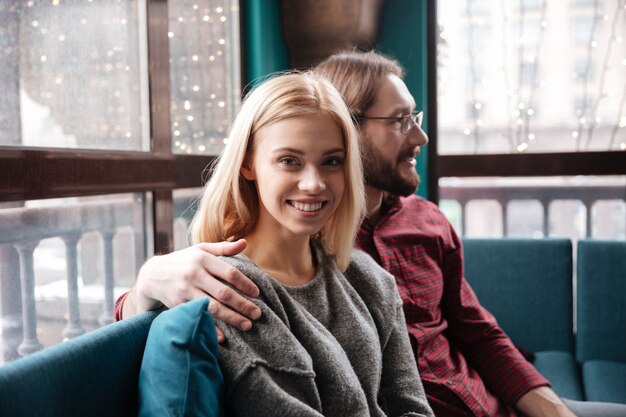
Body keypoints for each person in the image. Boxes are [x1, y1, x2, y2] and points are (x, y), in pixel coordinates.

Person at [116, 51, 626, 417]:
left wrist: (551, 406)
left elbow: (475, 330)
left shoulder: (411, 232)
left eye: (330, 162)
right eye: (402, 121)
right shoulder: (249, 271)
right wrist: (143, 286)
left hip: (482, 402)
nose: (420, 137)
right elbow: (173, 306)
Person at [162, 71, 434, 416]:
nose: (314, 183)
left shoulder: (370, 278)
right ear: (248, 163)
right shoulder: (228, 290)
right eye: (289, 161)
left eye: (331, 162)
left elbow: (412, 407)